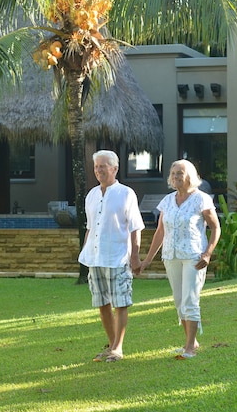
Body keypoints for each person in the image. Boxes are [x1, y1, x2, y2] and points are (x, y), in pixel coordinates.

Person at [139, 159, 221, 359]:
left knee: (190, 300)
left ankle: (190, 348)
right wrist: (147, 259)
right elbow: (160, 231)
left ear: (190, 176)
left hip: (194, 256)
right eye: (173, 173)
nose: (176, 177)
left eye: (180, 173)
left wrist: (207, 253)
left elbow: (215, 228)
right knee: (179, 301)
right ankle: (190, 341)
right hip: (171, 255)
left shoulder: (201, 199)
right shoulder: (167, 201)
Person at [79, 150, 144, 363]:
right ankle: (112, 344)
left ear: (114, 169)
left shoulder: (126, 193)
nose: (98, 170)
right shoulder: (91, 195)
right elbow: (90, 228)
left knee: (121, 302)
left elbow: (136, 228)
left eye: (103, 166)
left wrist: (135, 257)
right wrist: (86, 252)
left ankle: (118, 348)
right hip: (95, 258)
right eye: (96, 166)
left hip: (117, 257)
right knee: (102, 302)